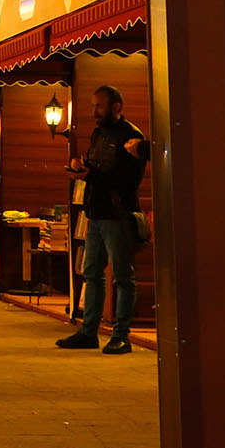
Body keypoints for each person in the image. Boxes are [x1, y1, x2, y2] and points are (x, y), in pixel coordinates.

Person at [59, 85, 148, 353]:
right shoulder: (99, 133)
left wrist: (90, 175)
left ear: (116, 107)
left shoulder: (131, 137)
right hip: (95, 212)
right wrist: (81, 166)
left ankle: (121, 335)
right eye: (93, 105)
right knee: (92, 273)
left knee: (122, 276)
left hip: (117, 214)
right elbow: (97, 166)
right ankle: (88, 331)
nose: (94, 111)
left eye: (99, 106)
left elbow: (129, 180)